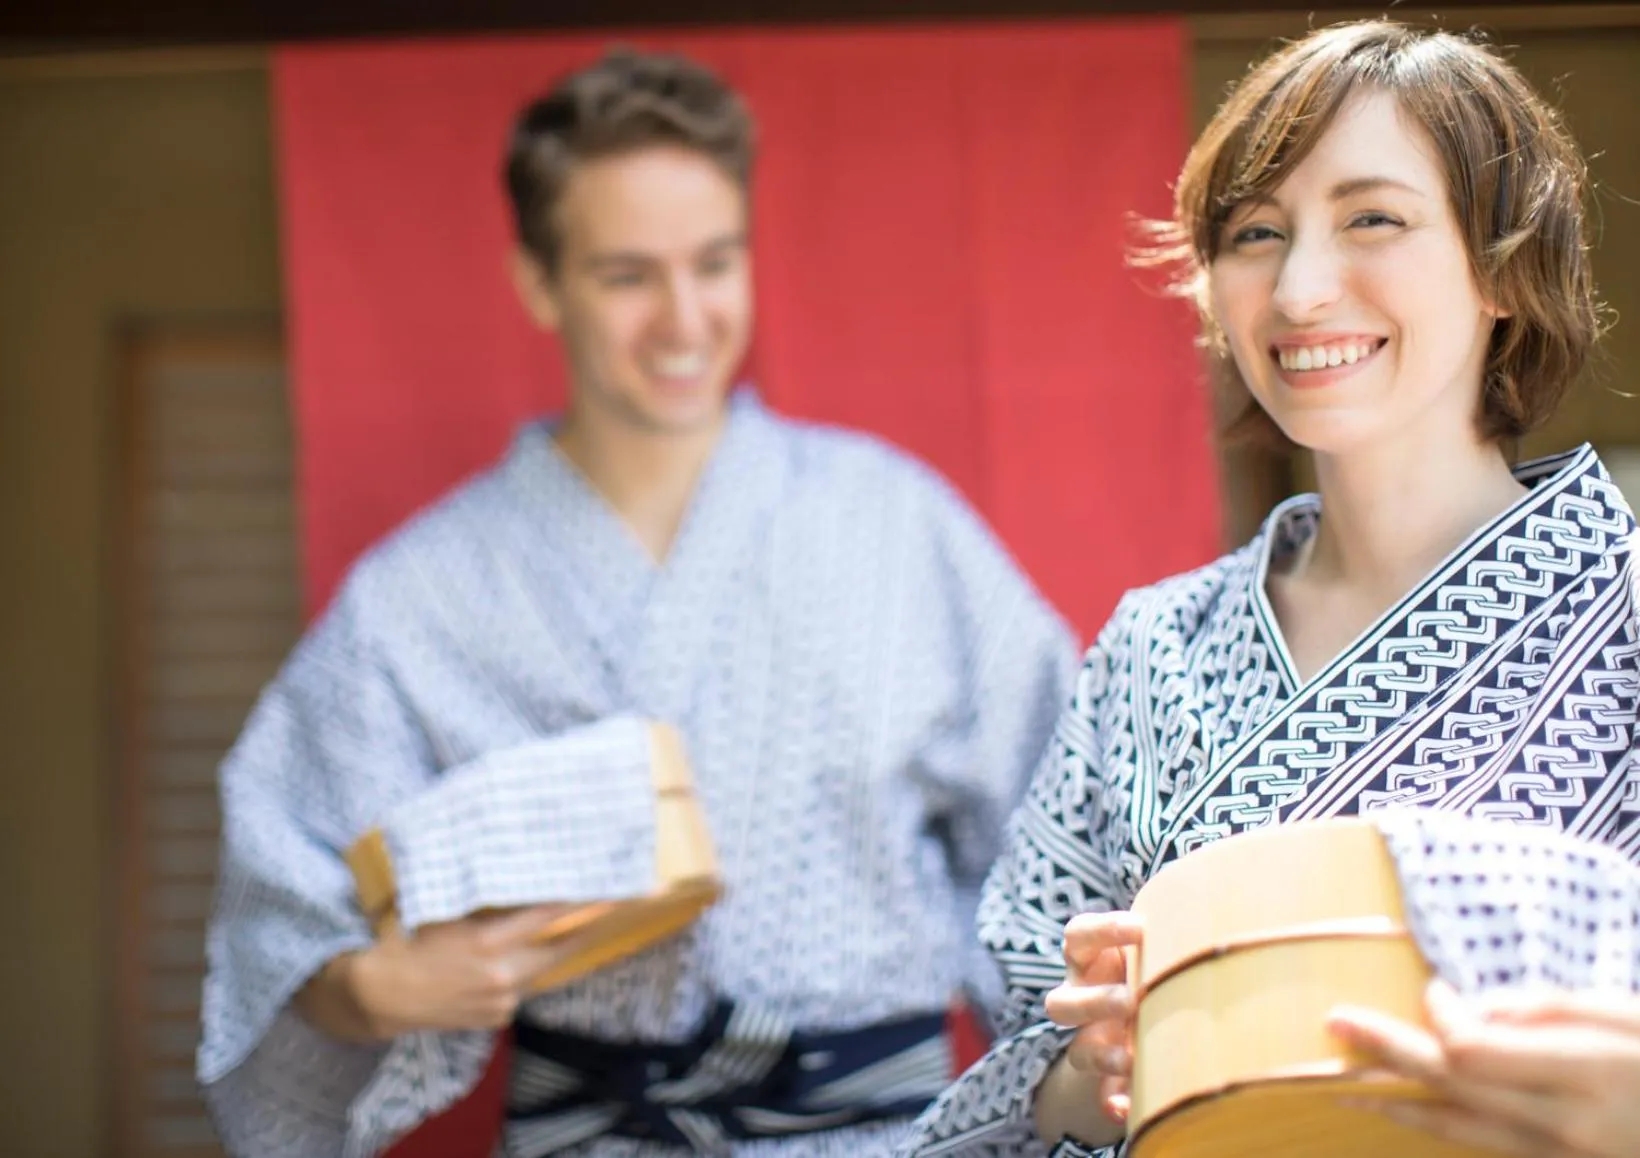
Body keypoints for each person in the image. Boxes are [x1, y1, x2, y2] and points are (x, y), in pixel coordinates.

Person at [196, 48, 1079, 1158]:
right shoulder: (424, 594)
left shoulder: (897, 525)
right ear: (538, 282)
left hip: (888, 1135)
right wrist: (370, 989)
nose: (683, 319)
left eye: (714, 263)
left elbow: (1070, 835)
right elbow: (280, 903)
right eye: (627, 276)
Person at [895, 18, 1640, 1158]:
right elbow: (1034, 1028)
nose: (1297, 289)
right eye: (1254, 234)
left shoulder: (1620, 606)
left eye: (1371, 219)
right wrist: (1088, 1072)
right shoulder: (1155, 646)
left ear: (1502, 264)